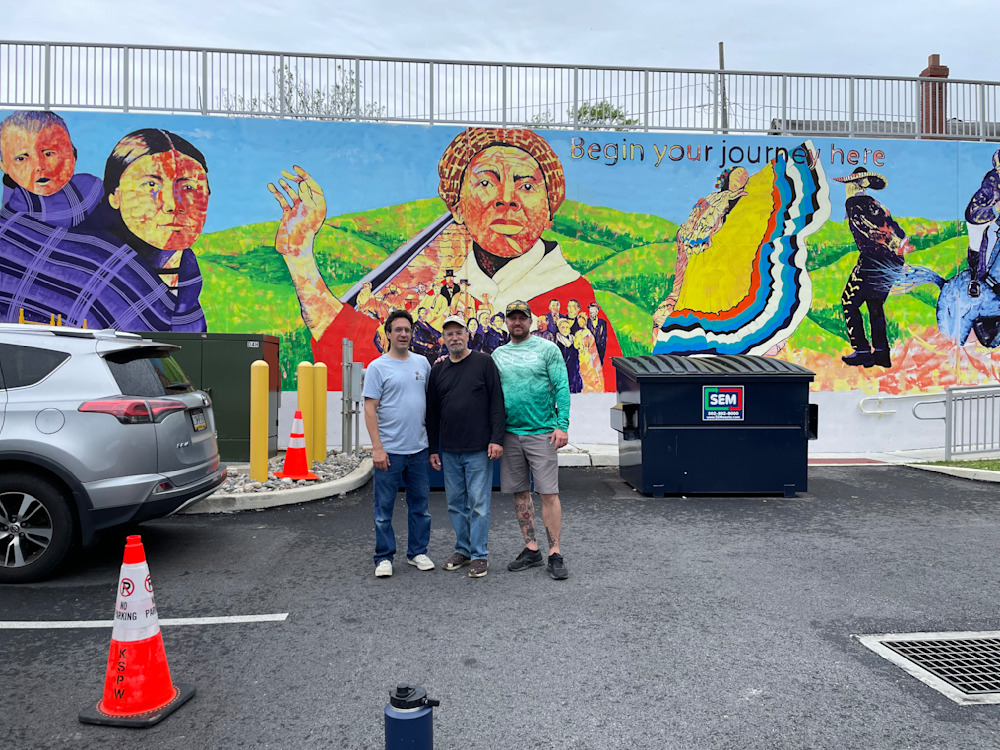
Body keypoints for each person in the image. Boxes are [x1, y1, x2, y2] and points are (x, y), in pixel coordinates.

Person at [273, 127, 621, 390]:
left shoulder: (574, 299)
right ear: (457, 207)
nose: (507, 199)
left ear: (549, 212)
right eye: (486, 183)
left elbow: (600, 389)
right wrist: (299, 255)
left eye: (527, 186)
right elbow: (364, 346)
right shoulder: (437, 293)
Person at [0, 127, 209, 330]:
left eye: (188, 187)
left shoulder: (188, 284)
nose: (173, 204)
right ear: (115, 196)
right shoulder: (94, 264)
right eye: (151, 185)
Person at [491, 300, 571, 580]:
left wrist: (562, 425)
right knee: (520, 492)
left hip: (542, 432)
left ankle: (555, 553)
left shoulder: (547, 349)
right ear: (506, 322)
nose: (517, 322)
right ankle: (532, 548)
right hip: (510, 434)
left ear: (530, 321)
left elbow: (561, 386)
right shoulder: (498, 354)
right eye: (512, 318)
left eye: (522, 318)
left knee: (548, 493)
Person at [427, 314, 506, 578]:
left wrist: (497, 439)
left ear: (468, 335)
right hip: (450, 449)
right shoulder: (438, 370)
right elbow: (432, 412)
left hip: (479, 448)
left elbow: (497, 402)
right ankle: (463, 549)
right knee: (455, 504)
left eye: (459, 332)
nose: (454, 338)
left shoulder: (484, 362)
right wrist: (433, 448)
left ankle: (479, 555)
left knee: (479, 504)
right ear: (444, 339)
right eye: (449, 334)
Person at [362, 309, 435, 578]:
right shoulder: (377, 367)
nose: (403, 334)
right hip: (389, 451)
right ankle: (384, 557)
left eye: (407, 330)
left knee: (421, 507)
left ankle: (417, 552)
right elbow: (370, 409)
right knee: (383, 508)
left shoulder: (422, 364)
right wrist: (377, 448)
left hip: (419, 449)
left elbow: (428, 403)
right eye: (398, 330)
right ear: (388, 334)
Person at [834, 167, 909, 368]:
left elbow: (868, 230)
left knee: (849, 301)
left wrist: (878, 243)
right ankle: (882, 354)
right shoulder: (876, 204)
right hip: (893, 261)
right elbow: (899, 232)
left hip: (873, 258)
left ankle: (862, 351)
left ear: (854, 184)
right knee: (875, 305)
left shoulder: (853, 203)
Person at [0, 110, 102, 228]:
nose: (39, 166)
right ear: (4, 166)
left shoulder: (92, 187)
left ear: (73, 154)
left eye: (48, 154)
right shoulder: (14, 209)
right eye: (21, 158)